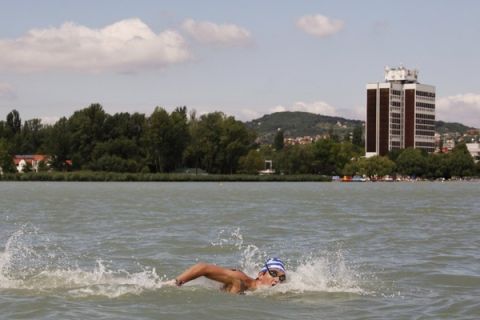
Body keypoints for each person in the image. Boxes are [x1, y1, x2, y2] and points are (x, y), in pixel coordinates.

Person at [169, 257, 287, 294]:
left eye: (281, 278)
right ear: (261, 274)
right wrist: (176, 283)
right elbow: (203, 267)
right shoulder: (240, 279)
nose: (277, 280)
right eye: (273, 273)